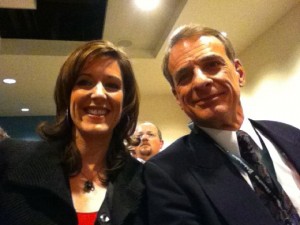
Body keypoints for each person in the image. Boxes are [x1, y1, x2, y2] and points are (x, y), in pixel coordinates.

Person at [143, 24, 300, 225]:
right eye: (185, 76)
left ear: (239, 73)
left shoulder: (290, 135)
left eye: (212, 65)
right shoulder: (166, 174)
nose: (200, 81)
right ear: (178, 98)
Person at [0, 40, 146, 225]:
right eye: (85, 82)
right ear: (67, 94)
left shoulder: (144, 181)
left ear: (125, 102)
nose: (99, 93)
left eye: (112, 85)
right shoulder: (10, 160)